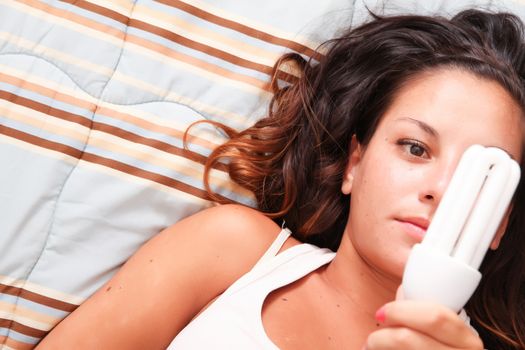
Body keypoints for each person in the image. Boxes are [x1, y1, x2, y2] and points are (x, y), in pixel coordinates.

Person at [37, 8, 525, 350]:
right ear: (355, 164)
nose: (439, 189)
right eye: (415, 148)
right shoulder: (232, 253)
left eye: (480, 179)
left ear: (499, 225)